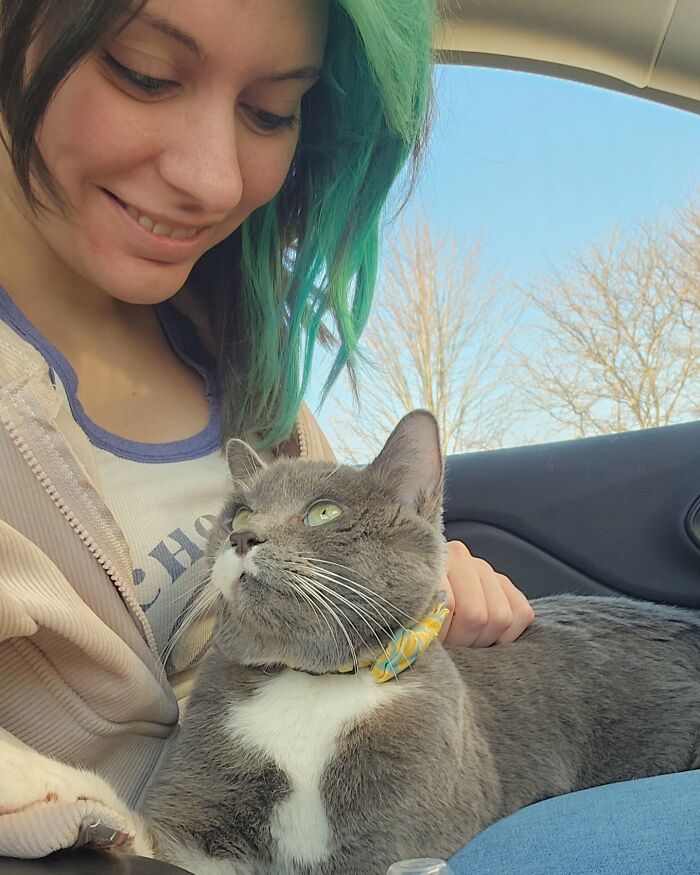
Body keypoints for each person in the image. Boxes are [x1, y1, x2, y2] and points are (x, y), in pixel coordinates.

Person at [0, 0, 535, 862]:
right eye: (143, 71)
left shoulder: (244, 358)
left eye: (270, 112)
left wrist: (416, 585)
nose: (214, 178)